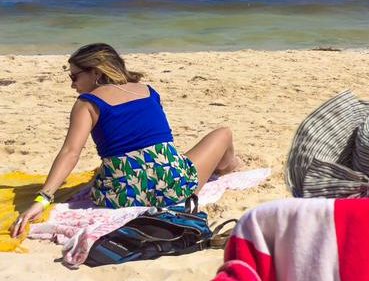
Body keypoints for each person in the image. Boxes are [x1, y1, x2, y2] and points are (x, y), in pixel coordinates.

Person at [9, 43, 241, 237]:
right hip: (173, 189)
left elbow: (71, 152)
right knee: (224, 134)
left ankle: (225, 167)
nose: (72, 84)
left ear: (96, 73)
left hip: (118, 196)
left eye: (74, 76)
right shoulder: (148, 91)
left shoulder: (87, 103)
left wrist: (43, 198)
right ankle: (229, 167)